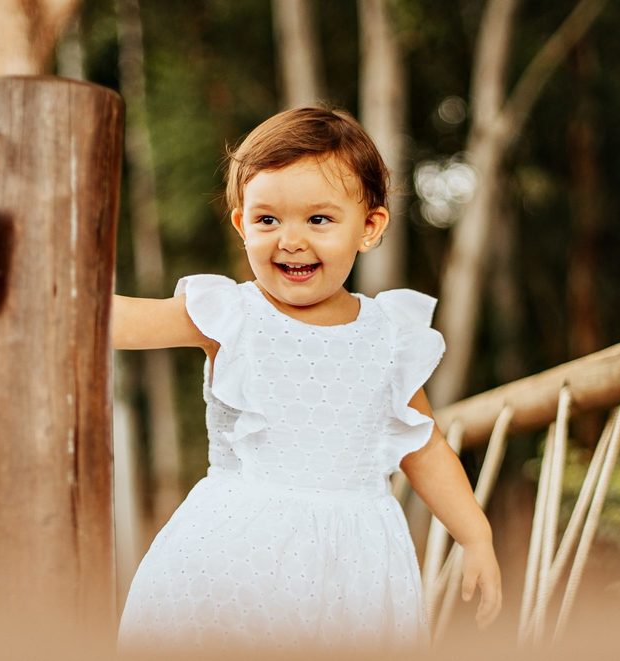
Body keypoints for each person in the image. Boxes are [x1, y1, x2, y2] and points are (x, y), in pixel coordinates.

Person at [111, 106, 502, 653]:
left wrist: (475, 535)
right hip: (236, 553)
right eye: (267, 220)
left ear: (369, 227)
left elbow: (425, 445)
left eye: (318, 220)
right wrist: (30, 278)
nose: (290, 240)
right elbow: (115, 320)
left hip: (357, 567)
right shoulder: (231, 315)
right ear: (242, 224)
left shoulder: (388, 335)